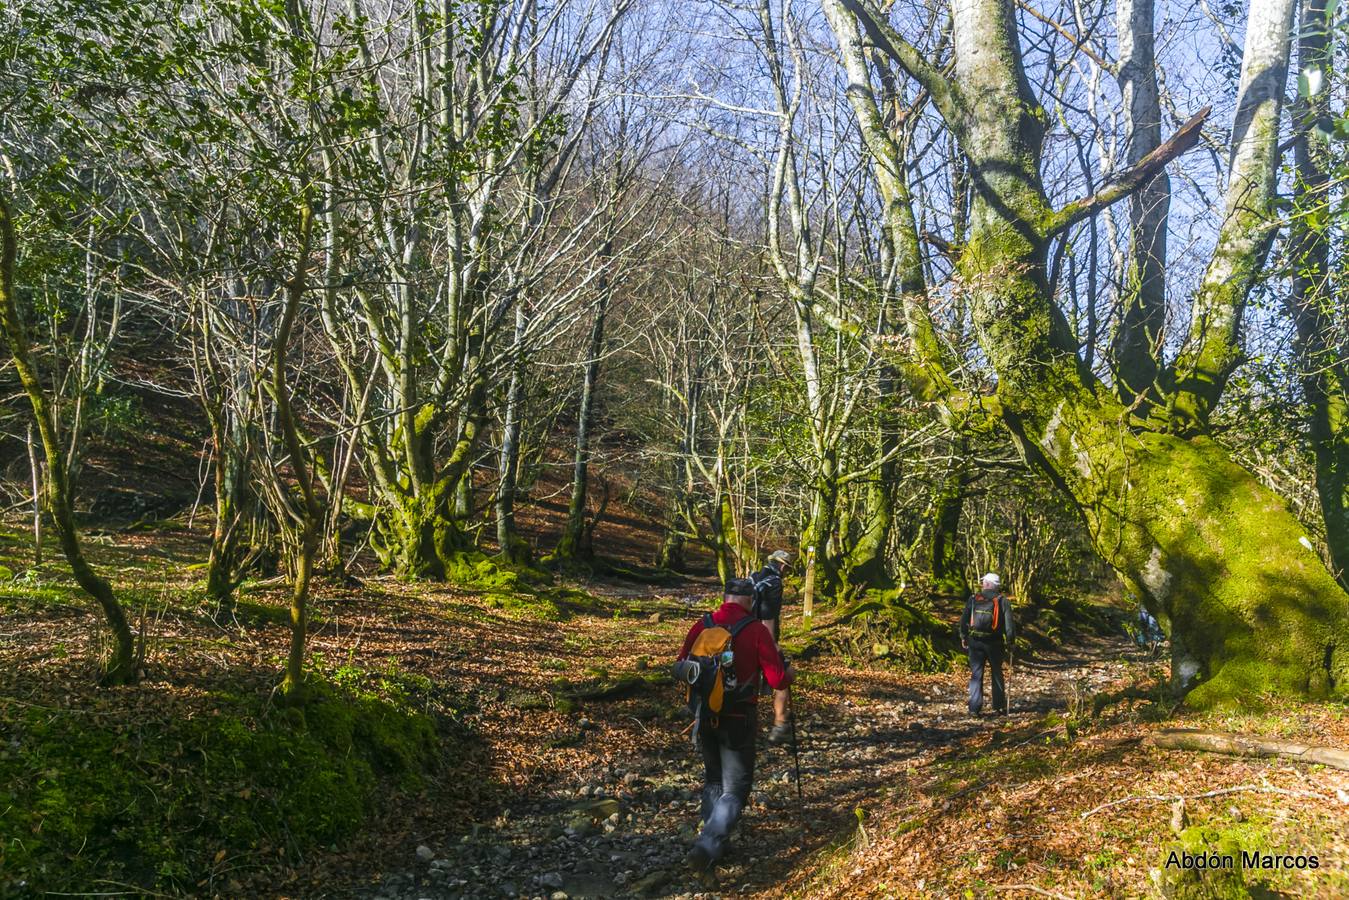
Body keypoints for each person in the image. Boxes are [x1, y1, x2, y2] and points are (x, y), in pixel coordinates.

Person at [677, 577, 795, 876]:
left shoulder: (702, 625)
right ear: (750, 601)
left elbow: (681, 664)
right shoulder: (755, 630)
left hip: (704, 715)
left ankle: (715, 842)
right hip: (739, 719)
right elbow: (777, 680)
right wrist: (790, 671)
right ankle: (707, 846)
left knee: (714, 781)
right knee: (735, 791)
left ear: (726, 597)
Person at [750, 550, 793, 743]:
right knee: (783, 675)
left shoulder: (753, 577)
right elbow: (768, 616)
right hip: (762, 638)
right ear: (783, 567)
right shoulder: (774, 584)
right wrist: (773, 645)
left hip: (743, 634)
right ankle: (780, 724)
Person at [959, 573, 1015, 716]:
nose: (982, 584)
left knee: (976, 674)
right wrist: (1010, 641)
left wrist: (963, 636)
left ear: (987, 584)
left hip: (975, 642)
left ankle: (974, 709)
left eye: (984, 582)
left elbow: (964, 618)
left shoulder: (973, 599)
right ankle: (998, 707)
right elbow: (1009, 625)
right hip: (995, 643)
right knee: (997, 672)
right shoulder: (1003, 601)